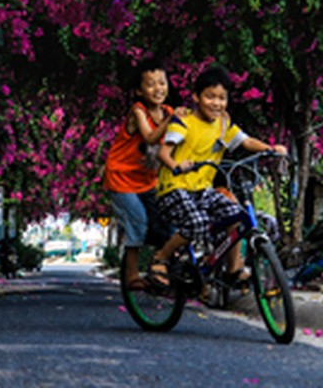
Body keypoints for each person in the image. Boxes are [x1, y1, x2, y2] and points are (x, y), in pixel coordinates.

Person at [150, 64, 286, 285]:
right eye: (210, 97)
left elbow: (246, 141)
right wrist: (176, 165)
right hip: (174, 189)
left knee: (236, 216)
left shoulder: (223, 124)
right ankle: (161, 257)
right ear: (196, 97)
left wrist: (270, 149)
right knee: (197, 223)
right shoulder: (183, 121)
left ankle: (233, 269)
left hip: (202, 190)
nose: (216, 103)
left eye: (222, 98)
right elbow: (164, 152)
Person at [103, 58, 173, 289]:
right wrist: (173, 121)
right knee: (138, 223)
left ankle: (159, 269)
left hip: (147, 180)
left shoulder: (169, 112)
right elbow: (150, 137)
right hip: (121, 179)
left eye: (162, 82)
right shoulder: (138, 111)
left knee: (165, 224)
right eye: (151, 84)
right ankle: (131, 276)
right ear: (139, 91)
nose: (158, 88)